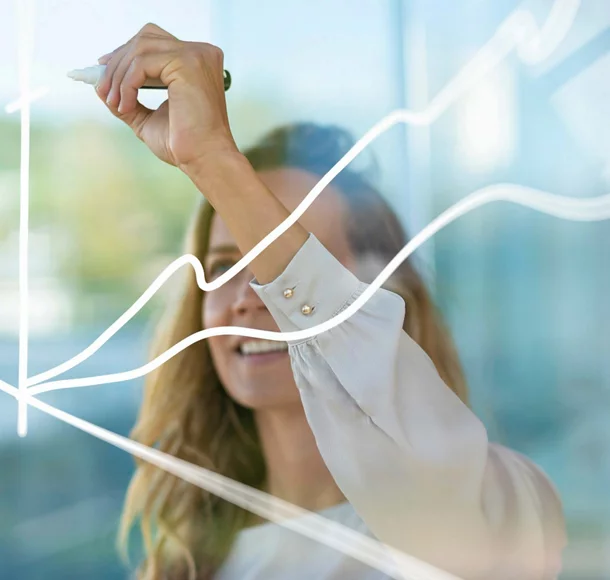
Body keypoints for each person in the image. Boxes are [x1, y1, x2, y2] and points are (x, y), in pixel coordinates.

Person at [95, 24, 567, 580]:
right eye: (224, 265)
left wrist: (213, 161)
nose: (250, 296)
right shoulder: (184, 563)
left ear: (388, 299)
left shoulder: (496, 507)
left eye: (289, 259)